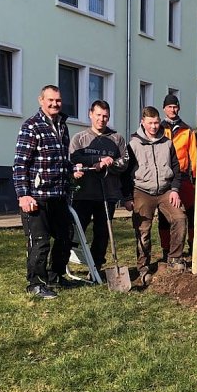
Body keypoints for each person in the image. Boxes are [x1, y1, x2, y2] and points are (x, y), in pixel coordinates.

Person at [13, 84, 78, 299]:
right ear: (41, 100)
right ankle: (36, 283)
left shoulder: (62, 126)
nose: (54, 104)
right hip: (36, 197)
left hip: (58, 195)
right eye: (50, 100)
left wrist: (72, 171)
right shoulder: (31, 126)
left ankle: (55, 275)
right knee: (39, 242)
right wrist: (23, 194)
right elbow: (21, 163)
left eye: (58, 100)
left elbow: (62, 161)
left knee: (64, 238)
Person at [121, 106, 187, 284]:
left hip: (166, 190)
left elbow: (176, 169)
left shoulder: (167, 143)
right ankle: (143, 267)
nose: (154, 126)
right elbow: (125, 173)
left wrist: (175, 190)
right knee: (143, 231)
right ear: (142, 122)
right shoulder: (133, 144)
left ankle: (174, 258)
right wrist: (127, 198)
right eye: (150, 123)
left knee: (180, 218)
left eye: (156, 122)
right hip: (142, 191)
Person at [69, 100, 128, 271]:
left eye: (105, 116)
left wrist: (111, 164)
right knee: (74, 231)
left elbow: (124, 162)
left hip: (107, 195)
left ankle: (96, 267)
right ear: (90, 114)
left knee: (102, 233)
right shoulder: (80, 138)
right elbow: (74, 159)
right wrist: (97, 161)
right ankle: (63, 264)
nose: (102, 119)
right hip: (84, 194)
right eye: (98, 115)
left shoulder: (117, 139)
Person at [159, 94, 197, 260]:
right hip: (164, 177)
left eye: (175, 106)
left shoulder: (187, 130)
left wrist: (194, 177)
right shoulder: (158, 128)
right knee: (164, 216)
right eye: (169, 107)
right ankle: (166, 249)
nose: (172, 109)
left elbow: (194, 155)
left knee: (190, 213)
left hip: (183, 176)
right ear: (164, 109)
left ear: (178, 108)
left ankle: (192, 246)